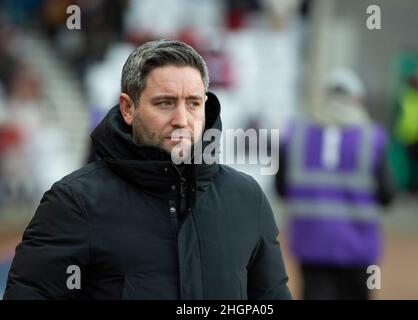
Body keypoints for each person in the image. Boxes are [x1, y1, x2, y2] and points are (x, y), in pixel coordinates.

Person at [4, 39, 291, 300]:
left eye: (193, 104)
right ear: (128, 109)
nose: (182, 119)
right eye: (165, 103)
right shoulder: (74, 202)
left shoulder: (246, 199)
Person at [276, 68, 395, 300]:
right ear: (357, 99)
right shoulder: (372, 136)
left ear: (323, 97)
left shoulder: (295, 135)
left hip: (311, 242)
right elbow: (387, 194)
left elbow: (281, 189)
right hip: (358, 246)